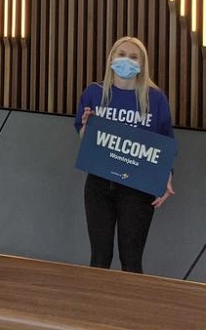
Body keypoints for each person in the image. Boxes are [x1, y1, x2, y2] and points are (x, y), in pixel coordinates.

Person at [75, 36, 176, 273]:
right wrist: (87, 129)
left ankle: (131, 310)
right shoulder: (94, 93)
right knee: (100, 257)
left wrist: (167, 176)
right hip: (99, 185)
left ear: (142, 63)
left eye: (133, 57)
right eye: (121, 54)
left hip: (137, 188)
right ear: (111, 57)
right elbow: (83, 139)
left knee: (131, 258)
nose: (126, 61)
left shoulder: (155, 98)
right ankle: (96, 308)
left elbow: (166, 141)